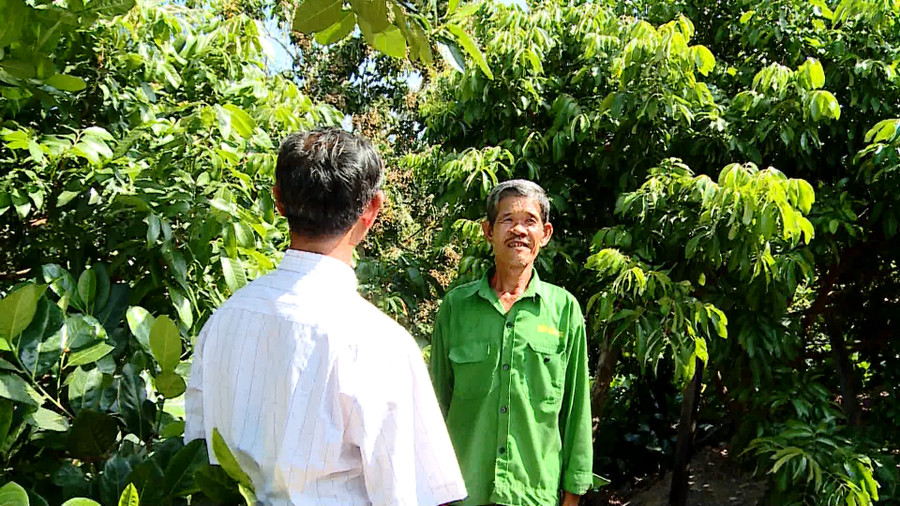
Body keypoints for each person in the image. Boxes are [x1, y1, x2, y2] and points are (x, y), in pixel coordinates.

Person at [185, 128, 467, 506]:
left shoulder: (224, 320)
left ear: (278, 200)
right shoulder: (380, 344)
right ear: (371, 210)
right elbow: (417, 495)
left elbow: (196, 453)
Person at [430, 180, 593, 506]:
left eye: (529, 221)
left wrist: (573, 493)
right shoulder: (456, 308)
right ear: (488, 231)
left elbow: (577, 410)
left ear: (544, 234)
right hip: (463, 493)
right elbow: (434, 406)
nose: (518, 230)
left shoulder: (564, 310)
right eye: (507, 220)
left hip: (535, 493)